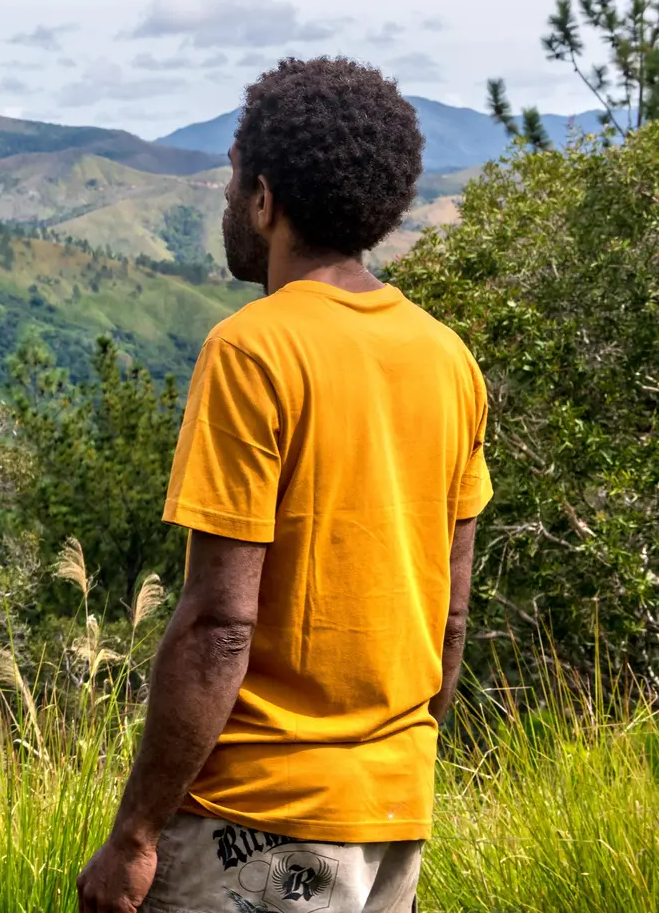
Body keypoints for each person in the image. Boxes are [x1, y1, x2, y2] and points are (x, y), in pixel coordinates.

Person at [76, 57, 491, 913]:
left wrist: (134, 838)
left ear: (265, 200)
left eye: (233, 183)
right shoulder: (447, 359)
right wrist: (388, 767)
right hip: (391, 819)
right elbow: (450, 615)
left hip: (254, 823)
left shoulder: (252, 351)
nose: (227, 202)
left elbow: (222, 625)